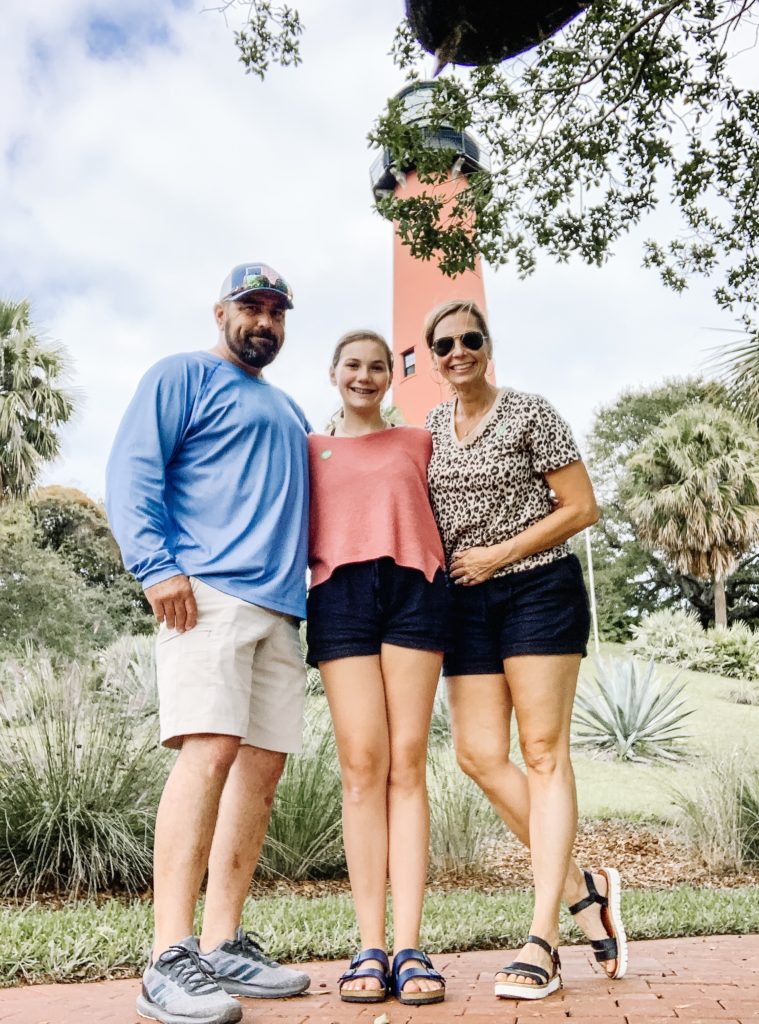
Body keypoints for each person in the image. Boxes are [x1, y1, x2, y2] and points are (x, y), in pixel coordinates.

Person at [106, 263, 312, 1024]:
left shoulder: (290, 407)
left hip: (282, 610)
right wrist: (156, 566)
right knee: (209, 753)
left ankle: (225, 945)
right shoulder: (182, 376)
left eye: (277, 313)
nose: (264, 322)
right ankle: (169, 956)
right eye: (251, 307)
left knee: (259, 773)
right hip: (207, 595)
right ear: (221, 310)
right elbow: (132, 473)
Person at [423, 299, 628, 1001]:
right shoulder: (426, 430)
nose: (458, 351)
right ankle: (584, 888)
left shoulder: (531, 413)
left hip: (538, 589)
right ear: (430, 355)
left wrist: (499, 554)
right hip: (466, 604)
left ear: (487, 345)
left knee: (543, 755)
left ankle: (544, 936)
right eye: (444, 343)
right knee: (478, 754)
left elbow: (582, 506)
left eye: (469, 339)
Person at [305, 329, 448, 1006]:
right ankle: (369, 945)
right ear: (334, 374)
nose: (365, 376)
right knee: (362, 764)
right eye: (353, 366)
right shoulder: (308, 449)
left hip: (415, 591)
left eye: (377, 367)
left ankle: (412, 946)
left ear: (392, 376)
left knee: (408, 761)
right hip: (339, 597)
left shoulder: (419, 442)